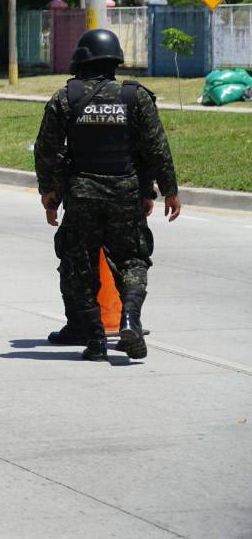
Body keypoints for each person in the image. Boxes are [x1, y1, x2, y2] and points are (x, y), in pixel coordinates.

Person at [34, 29, 180, 361]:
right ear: (115, 60)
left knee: (80, 266)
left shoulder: (65, 97)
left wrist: (50, 192)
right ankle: (129, 319)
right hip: (124, 192)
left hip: (83, 195)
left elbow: (47, 150)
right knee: (132, 260)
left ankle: (96, 341)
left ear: (82, 61)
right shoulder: (135, 96)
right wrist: (164, 190)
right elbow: (155, 149)